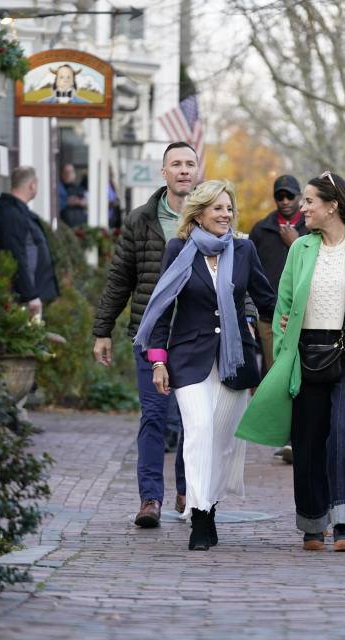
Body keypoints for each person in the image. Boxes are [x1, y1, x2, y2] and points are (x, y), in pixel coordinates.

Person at [236, 172, 345, 552]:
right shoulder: (300, 249)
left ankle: (342, 524)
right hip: (306, 352)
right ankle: (312, 524)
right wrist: (285, 322)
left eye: (309, 201)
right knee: (306, 440)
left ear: (332, 205)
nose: (302, 208)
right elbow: (282, 304)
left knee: (342, 432)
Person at [134, 180, 276, 550]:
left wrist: (293, 319)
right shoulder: (179, 249)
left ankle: (210, 506)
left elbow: (266, 299)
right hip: (188, 358)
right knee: (198, 431)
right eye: (217, 208)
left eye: (229, 209)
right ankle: (198, 516)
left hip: (234, 359)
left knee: (222, 441)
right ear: (198, 214)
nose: (225, 215)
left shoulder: (243, 250)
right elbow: (163, 306)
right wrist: (158, 361)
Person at [92, 142, 197, 528]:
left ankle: (190, 491)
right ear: (164, 173)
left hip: (195, 337)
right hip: (150, 335)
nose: (183, 170)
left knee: (192, 421)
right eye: (176, 164)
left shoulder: (213, 216)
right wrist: (103, 329)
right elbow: (121, 277)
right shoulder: (142, 219)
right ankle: (150, 499)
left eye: (189, 164)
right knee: (153, 418)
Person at [248, 174, 307, 464]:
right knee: (279, 376)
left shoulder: (312, 228)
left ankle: (302, 437)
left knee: (304, 376)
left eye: (290, 196)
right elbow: (249, 273)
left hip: (308, 317)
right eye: (280, 197)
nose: (285, 202)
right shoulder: (261, 230)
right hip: (270, 317)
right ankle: (287, 438)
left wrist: (295, 241)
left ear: (299, 197)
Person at [0, 165, 60, 318]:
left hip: (27, 296)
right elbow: (15, 254)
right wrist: (30, 295)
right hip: (22, 299)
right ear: (32, 185)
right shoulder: (11, 215)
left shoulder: (17, 212)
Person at [58, 163, 89, 228]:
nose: (69, 174)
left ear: (74, 174)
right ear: (62, 174)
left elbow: (89, 202)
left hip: (81, 226)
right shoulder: (58, 188)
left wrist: (81, 202)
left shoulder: (80, 188)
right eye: (66, 172)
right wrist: (67, 202)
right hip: (66, 226)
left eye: (71, 172)